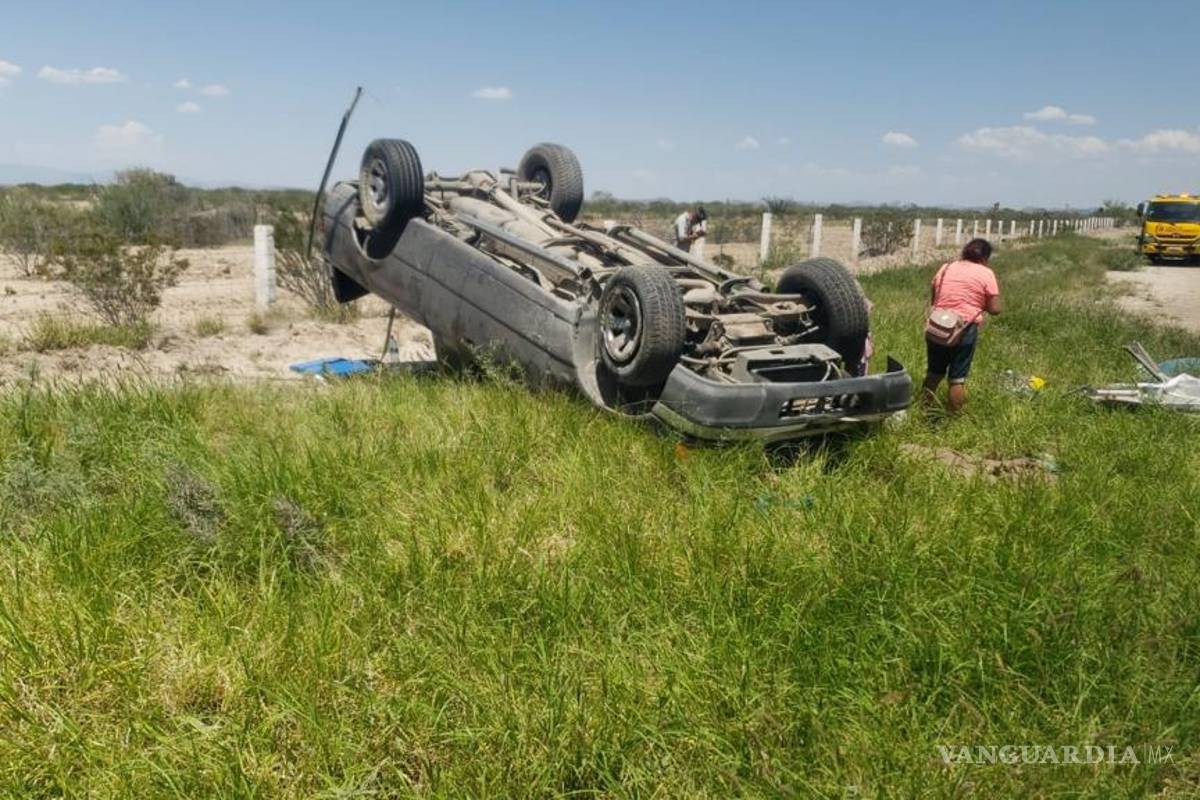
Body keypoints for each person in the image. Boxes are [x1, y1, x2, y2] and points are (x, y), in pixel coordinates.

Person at [922, 238, 1001, 413]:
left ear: (964, 252)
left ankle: (925, 410)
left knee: (934, 373)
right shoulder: (986, 273)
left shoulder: (946, 268)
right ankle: (953, 418)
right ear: (985, 257)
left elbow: (935, 297)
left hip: (937, 325)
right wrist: (979, 304)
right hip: (964, 328)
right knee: (957, 378)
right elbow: (995, 309)